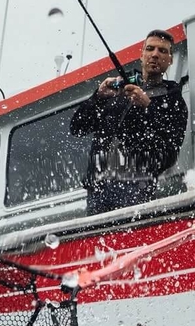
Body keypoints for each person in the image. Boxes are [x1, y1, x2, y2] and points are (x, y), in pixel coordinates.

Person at [70, 29, 188, 215]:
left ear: (170, 60)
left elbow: (170, 154)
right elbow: (77, 127)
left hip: (137, 187)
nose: (155, 55)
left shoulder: (173, 101)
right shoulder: (117, 88)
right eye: (150, 49)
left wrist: (148, 108)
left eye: (162, 51)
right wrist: (98, 97)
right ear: (141, 55)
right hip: (98, 189)